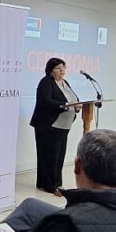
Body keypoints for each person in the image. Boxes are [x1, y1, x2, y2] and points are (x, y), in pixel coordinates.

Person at [29, 57, 80, 194]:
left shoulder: (65, 83)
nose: (62, 71)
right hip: (48, 125)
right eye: (58, 68)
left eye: (63, 68)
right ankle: (47, 185)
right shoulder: (46, 82)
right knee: (49, 156)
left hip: (64, 125)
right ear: (51, 71)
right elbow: (45, 101)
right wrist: (65, 105)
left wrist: (77, 105)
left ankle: (57, 183)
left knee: (59, 156)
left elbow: (73, 99)